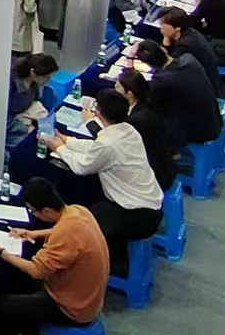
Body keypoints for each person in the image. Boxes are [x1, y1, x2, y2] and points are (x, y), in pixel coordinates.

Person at [0, 177, 108, 335]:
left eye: (33, 211)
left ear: (46, 211)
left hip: (72, 308)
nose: (32, 214)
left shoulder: (65, 235)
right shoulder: (77, 211)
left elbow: (36, 271)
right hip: (88, 295)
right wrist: (34, 233)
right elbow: (61, 231)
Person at [46, 88, 166, 265]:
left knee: (82, 218)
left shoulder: (107, 144)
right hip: (151, 204)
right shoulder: (128, 130)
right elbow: (95, 146)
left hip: (137, 215)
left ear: (99, 113)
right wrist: (68, 141)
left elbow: (82, 167)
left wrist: (59, 148)